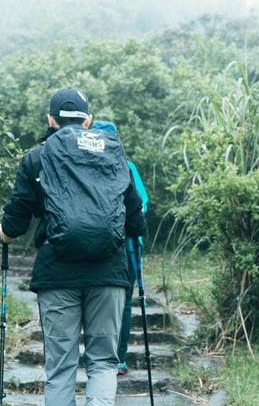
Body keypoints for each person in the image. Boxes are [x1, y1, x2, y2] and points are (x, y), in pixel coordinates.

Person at [0, 88, 146, 406]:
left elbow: (15, 223)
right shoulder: (115, 155)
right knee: (103, 362)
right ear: (88, 121)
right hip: (108, 272)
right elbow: (135, 223)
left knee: (60, 369)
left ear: (51, 120)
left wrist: (1, 234)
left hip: (57, 271)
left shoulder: (36, 158)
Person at [91, 121, 149, 376]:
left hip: (126, 246)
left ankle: (119, 357)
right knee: (110, 301)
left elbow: (142, 205)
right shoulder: (93, 166)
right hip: (104, 245)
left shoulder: (127, 167)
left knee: (123, 301)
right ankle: (109, 356)